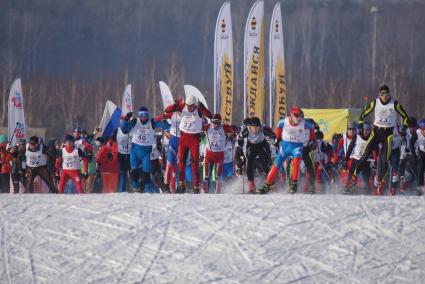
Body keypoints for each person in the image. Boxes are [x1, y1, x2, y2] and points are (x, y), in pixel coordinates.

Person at [348, 84, 409, 193]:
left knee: (384, 159)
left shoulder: (394, 104)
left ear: (389, 94)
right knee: (366, 154)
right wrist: (361, 126)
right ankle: (354, 176)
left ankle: (379, 181)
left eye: (386, 94)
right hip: (376, 132)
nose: (384, 97)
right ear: (379, 95)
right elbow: (362, 114)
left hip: (388, 134)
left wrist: (404, 128)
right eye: (381, 94)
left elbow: (405, 116)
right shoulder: (374, 102)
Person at [163, 95, 213, 193]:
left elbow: (210, 116)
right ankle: (182, 185)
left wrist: (203, 108)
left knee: (194, 163)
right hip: (183, 139)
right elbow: (167, 110)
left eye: (191, 106)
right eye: (188, 105)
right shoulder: (183, 107)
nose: (189, 108)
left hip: (194, 140)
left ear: (195, 104)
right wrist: (176, 105)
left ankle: (196, 187)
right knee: (181, 162)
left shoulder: (198, 109)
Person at [260, 107, 315, 194]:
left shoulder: (304, 123)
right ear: (291, 116)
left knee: (296, 161)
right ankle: (267, 185)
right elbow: (278, 125)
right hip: (285, 146)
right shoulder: (284, 122)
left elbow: (312, 126)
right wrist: (277, 139)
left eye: (300, 116)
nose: (299, 118)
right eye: (296, 116)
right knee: (276, 166)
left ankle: (293, 184)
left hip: (297, 147)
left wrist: (312, 140)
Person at [120, 107, 164, 193]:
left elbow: (163, 125)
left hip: (146, 153)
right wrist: (126, 119)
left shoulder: (151, 123)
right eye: (142, 115)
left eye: (146, 115)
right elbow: (123, 128)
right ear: (139, 115)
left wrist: (163, 118)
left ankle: (152, 191)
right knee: (134, 172)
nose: (144, 117)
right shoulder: (135, 121)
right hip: (135, 152)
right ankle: (135, 188)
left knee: (146, 175)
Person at [237, 117, 276, 193]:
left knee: (266, 165)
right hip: (251, 146)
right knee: (249, 163)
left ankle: (270, 184)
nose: (255, 130)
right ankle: (252, 186)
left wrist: (272, 139)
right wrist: (240, 146)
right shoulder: (246, 130)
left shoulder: (263, 129)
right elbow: (240, 138)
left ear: (260, 126)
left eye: (257, 127)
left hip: (262, 145)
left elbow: (274, 135)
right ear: (249, 127)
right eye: (253, 127)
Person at [202, 114, 236, 194]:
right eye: (214, 123)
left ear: (220, 122)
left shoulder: (224, 127)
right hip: (209, 155)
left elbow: (233, 132)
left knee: (218, 176)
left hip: (219, 156)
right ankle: (204, 191)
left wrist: (230, 137)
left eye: (217, 123)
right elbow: (198, 127)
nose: (215, 125)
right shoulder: (207, 127)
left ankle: (218, 193)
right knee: (207, 176)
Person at [344, 122, 374, 194]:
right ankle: (346, 189)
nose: (365, 132)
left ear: (370, 130)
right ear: (362, 130)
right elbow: (350, 147)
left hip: (366, 161)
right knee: (351, 176)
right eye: (364, 130)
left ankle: (367, 191)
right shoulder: (357, 137)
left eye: (367, 130)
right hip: (356, 160)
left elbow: (375, 150)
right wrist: (346, 159)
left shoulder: (372, 138)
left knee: (366, 178)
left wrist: (374, 160)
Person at [409, 118, 425, 195]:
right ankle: (420, 187)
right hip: (422, 152)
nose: (424, 131)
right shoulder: (417, 133)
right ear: (420, 129)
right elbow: (411, 144)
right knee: (420, 168)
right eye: (423, 129)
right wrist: (414, 156)